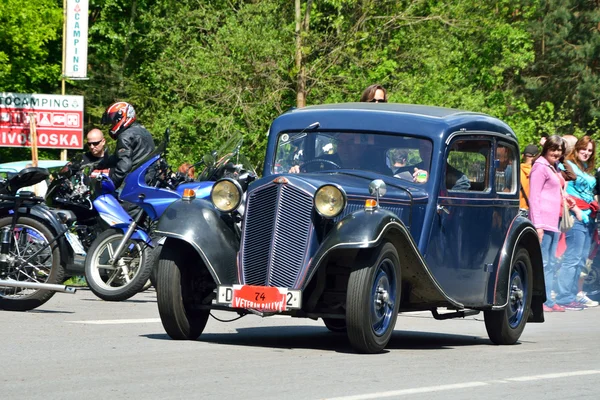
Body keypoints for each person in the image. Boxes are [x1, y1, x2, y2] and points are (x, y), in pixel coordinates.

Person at [555, 135, 599, 309]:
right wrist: (576, 211)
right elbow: (562, 191)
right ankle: (563, 296)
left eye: (590, 151)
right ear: (577, 148)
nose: (586, 153)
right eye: (584, 149)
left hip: (590, 217)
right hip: (576, 215)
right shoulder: (568, 166)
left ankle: (572, 294)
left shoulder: (587, 168)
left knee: (581, 259)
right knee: (572, 258)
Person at [528, 135, 569, 312]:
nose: (557, 153)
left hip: (555, 221)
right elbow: (534, 197)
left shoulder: (554, 167)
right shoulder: (540, 167)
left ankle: (548, 299)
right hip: (543, 222)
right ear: (546, 149)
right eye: (553, 149)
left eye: (560, 150)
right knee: (543, 263)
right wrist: (538, 225)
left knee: (552, 263)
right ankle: (539, 300)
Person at [99, 102, 156, 188]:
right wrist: (101, 164)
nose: (112, 126)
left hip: (136, 183)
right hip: (148, 178)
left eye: (113, 123)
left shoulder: (125, 136)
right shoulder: (143, 130)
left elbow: (124, 167)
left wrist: (111, 184)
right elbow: (121, 156)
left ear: (122, 117)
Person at [519, 144, 539, 210]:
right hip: (532, 210)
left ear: (523, 156)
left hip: (518, 209)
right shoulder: (539, 172)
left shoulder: (515, 170)